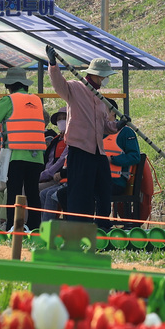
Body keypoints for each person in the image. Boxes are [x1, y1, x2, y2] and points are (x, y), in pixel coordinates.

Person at [46, 50, 118, 223]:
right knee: (80, 193)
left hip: (97, 151)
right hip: (80, 151)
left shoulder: (101, 99)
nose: (105, 80)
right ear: (96, 75)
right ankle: (78, 227)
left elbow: (104, 127)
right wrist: (53, 65)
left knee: (103, 190)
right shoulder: (75, 88)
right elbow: (58, 85)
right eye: (104, 76)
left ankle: (102, 225)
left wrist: (118, 125)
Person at [0, 67, 45, 232]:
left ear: (9, 85)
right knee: (32, 193)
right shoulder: (36, 100)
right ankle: (35, 228)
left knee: (13, 192)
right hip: (37, 155)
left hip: (16, 154)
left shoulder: (9, 100)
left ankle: (14, 227)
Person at [104, 110, 143, 223]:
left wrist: (112, 159)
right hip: (96, 180)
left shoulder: (125, 132)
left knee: (94, 191)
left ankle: (101, 226)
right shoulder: (94, 131)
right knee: (65, 193)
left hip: (116, 182)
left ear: (112, 112)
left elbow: (135, 156)